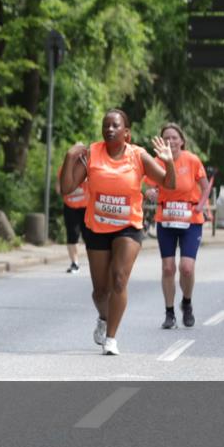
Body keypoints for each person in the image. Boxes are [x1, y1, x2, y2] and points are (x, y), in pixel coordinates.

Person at [59, 109, 175, 356]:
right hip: (98, 228)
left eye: (115, 125)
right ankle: (104, 317)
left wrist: (169, 162)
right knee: (100, 291)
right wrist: (70, 158)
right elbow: (67, 189)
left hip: (128, 227)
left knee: (119, 278)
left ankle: (111, 338)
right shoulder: (92, 154)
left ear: (127, 133)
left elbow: (169, 183)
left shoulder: (138, 156)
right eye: (106, 126)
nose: (109, 129)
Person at [143, 123, 210, 329]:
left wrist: (201, 205)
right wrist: (150, 193)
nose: (170, 141)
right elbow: (148, 186)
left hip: (190, 220)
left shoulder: (192, 160)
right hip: (166, 218)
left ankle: (187, 303)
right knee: (168, 268)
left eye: (174, 137)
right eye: (166, 138)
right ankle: (169, 312)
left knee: (186, 268)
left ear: (181, 140)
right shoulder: (157, 161)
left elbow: (205, 187)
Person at [56, 163, 88, 273]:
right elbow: (58, 189)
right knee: (72, 235)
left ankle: (96, 260)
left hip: (85, 206)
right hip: (70, 206)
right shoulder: (63, 169)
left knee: (88, 235)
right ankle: (74, 263)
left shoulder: (87, 167)